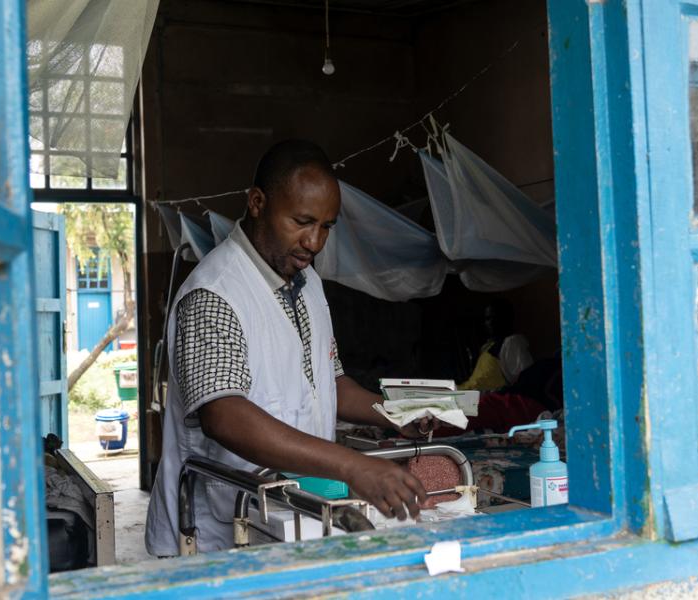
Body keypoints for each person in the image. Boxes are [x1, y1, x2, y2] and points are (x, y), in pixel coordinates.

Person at [145, 140, 438, 556]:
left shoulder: (307, 282)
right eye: (302, 222)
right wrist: (353, 465)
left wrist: (394, 414)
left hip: (288, 511)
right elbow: (224, 416)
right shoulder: (215, 293)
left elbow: (331, 383)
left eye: (326, 226)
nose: (314, 242)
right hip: (217, 531)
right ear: (257, 203)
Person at [458, 299, 533, 391]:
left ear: (507, 318)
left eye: (496, 317)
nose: (491, 322)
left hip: (485, 398)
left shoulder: (512, 343)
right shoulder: (487, 346)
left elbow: (526, 381)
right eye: (488, 318)